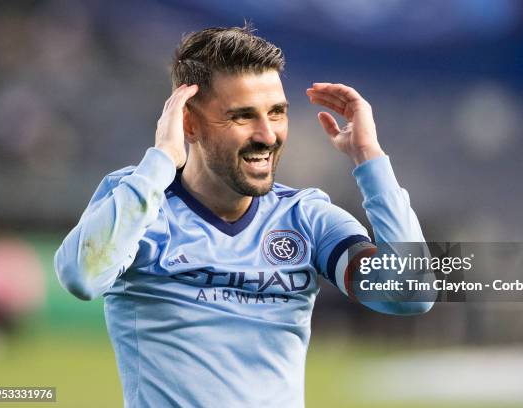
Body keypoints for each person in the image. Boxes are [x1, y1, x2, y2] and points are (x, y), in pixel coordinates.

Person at [54, 24, 434, 407]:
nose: (267, 135)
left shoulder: (307, 219)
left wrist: (370, 157)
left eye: (277, 113)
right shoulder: (141, 203)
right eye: (243, 116)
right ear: (189, 122)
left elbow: (412, 294)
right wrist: (162, 161)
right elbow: (82, 277)